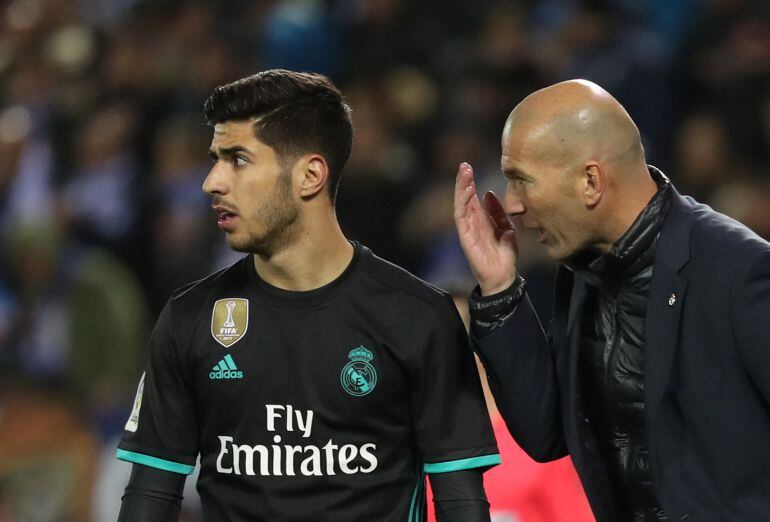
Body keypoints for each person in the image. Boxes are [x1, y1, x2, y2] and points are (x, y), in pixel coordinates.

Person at [116, 69, 499, 522]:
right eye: (215, 158)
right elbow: (150, 497)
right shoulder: (189, 317)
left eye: (238, 158)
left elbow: (461, 504)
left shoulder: (418, 317)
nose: (212, 181)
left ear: (310, 175)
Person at [453, 79, 770, 521]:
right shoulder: (583, 273)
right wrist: (500, 287)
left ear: (590, 181)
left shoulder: (739, 271)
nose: (512, 204)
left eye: (521, 180)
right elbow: (547, 436)